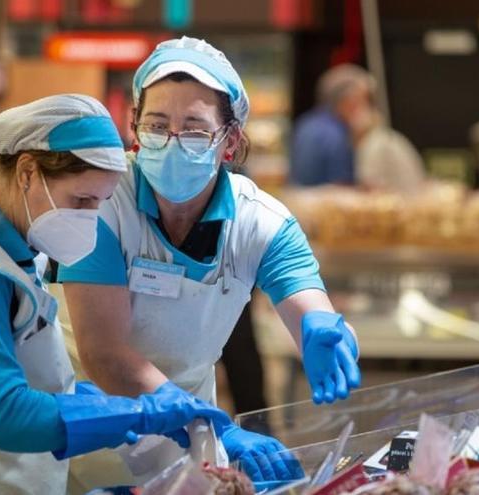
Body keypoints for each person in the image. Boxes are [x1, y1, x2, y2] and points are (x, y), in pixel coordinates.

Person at [0, 94, 232, 495]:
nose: (91, 218)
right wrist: (136, 414)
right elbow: (0, 413)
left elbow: (41, 384)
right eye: (82, 200)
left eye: (101, 203)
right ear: (27, 172)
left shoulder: (13, 248)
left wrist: (165, 412)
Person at [55, 37, 362, 489]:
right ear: (135, 128)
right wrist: (215, 426)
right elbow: (105, 354)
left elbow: (310, 305)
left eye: (196, 130)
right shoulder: (101, 202)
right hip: (85, 425)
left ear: (230, 141)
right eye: (157, 125)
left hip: (188, 439)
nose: (173, 143)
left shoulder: (261, 221)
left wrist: (328, 330)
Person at [288, 63, 374, 186]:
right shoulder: (337, 134)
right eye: (363, 99)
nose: (365, 107)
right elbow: (342, 184)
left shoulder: (305, 122)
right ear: (348, 100)